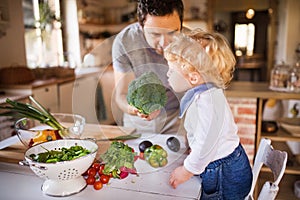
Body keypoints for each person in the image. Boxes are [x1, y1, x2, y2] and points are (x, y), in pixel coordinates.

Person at [164, 29, 253, 199]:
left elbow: (207, 144)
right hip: (226, 164)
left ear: (194, 77)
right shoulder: (206, 94)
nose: (168, 74)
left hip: (223, 174)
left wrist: (186, 170)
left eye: (171, 70)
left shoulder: (207, 102)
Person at [111, 0, 185, 134]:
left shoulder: (191, 42)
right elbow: (121, 95)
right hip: (138, 121)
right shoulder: (124, 41)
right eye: (155, 34)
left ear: (181, 24)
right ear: (141, 25)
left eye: (172, 33)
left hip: (177, 116)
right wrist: (136, 109)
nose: (165, 43)